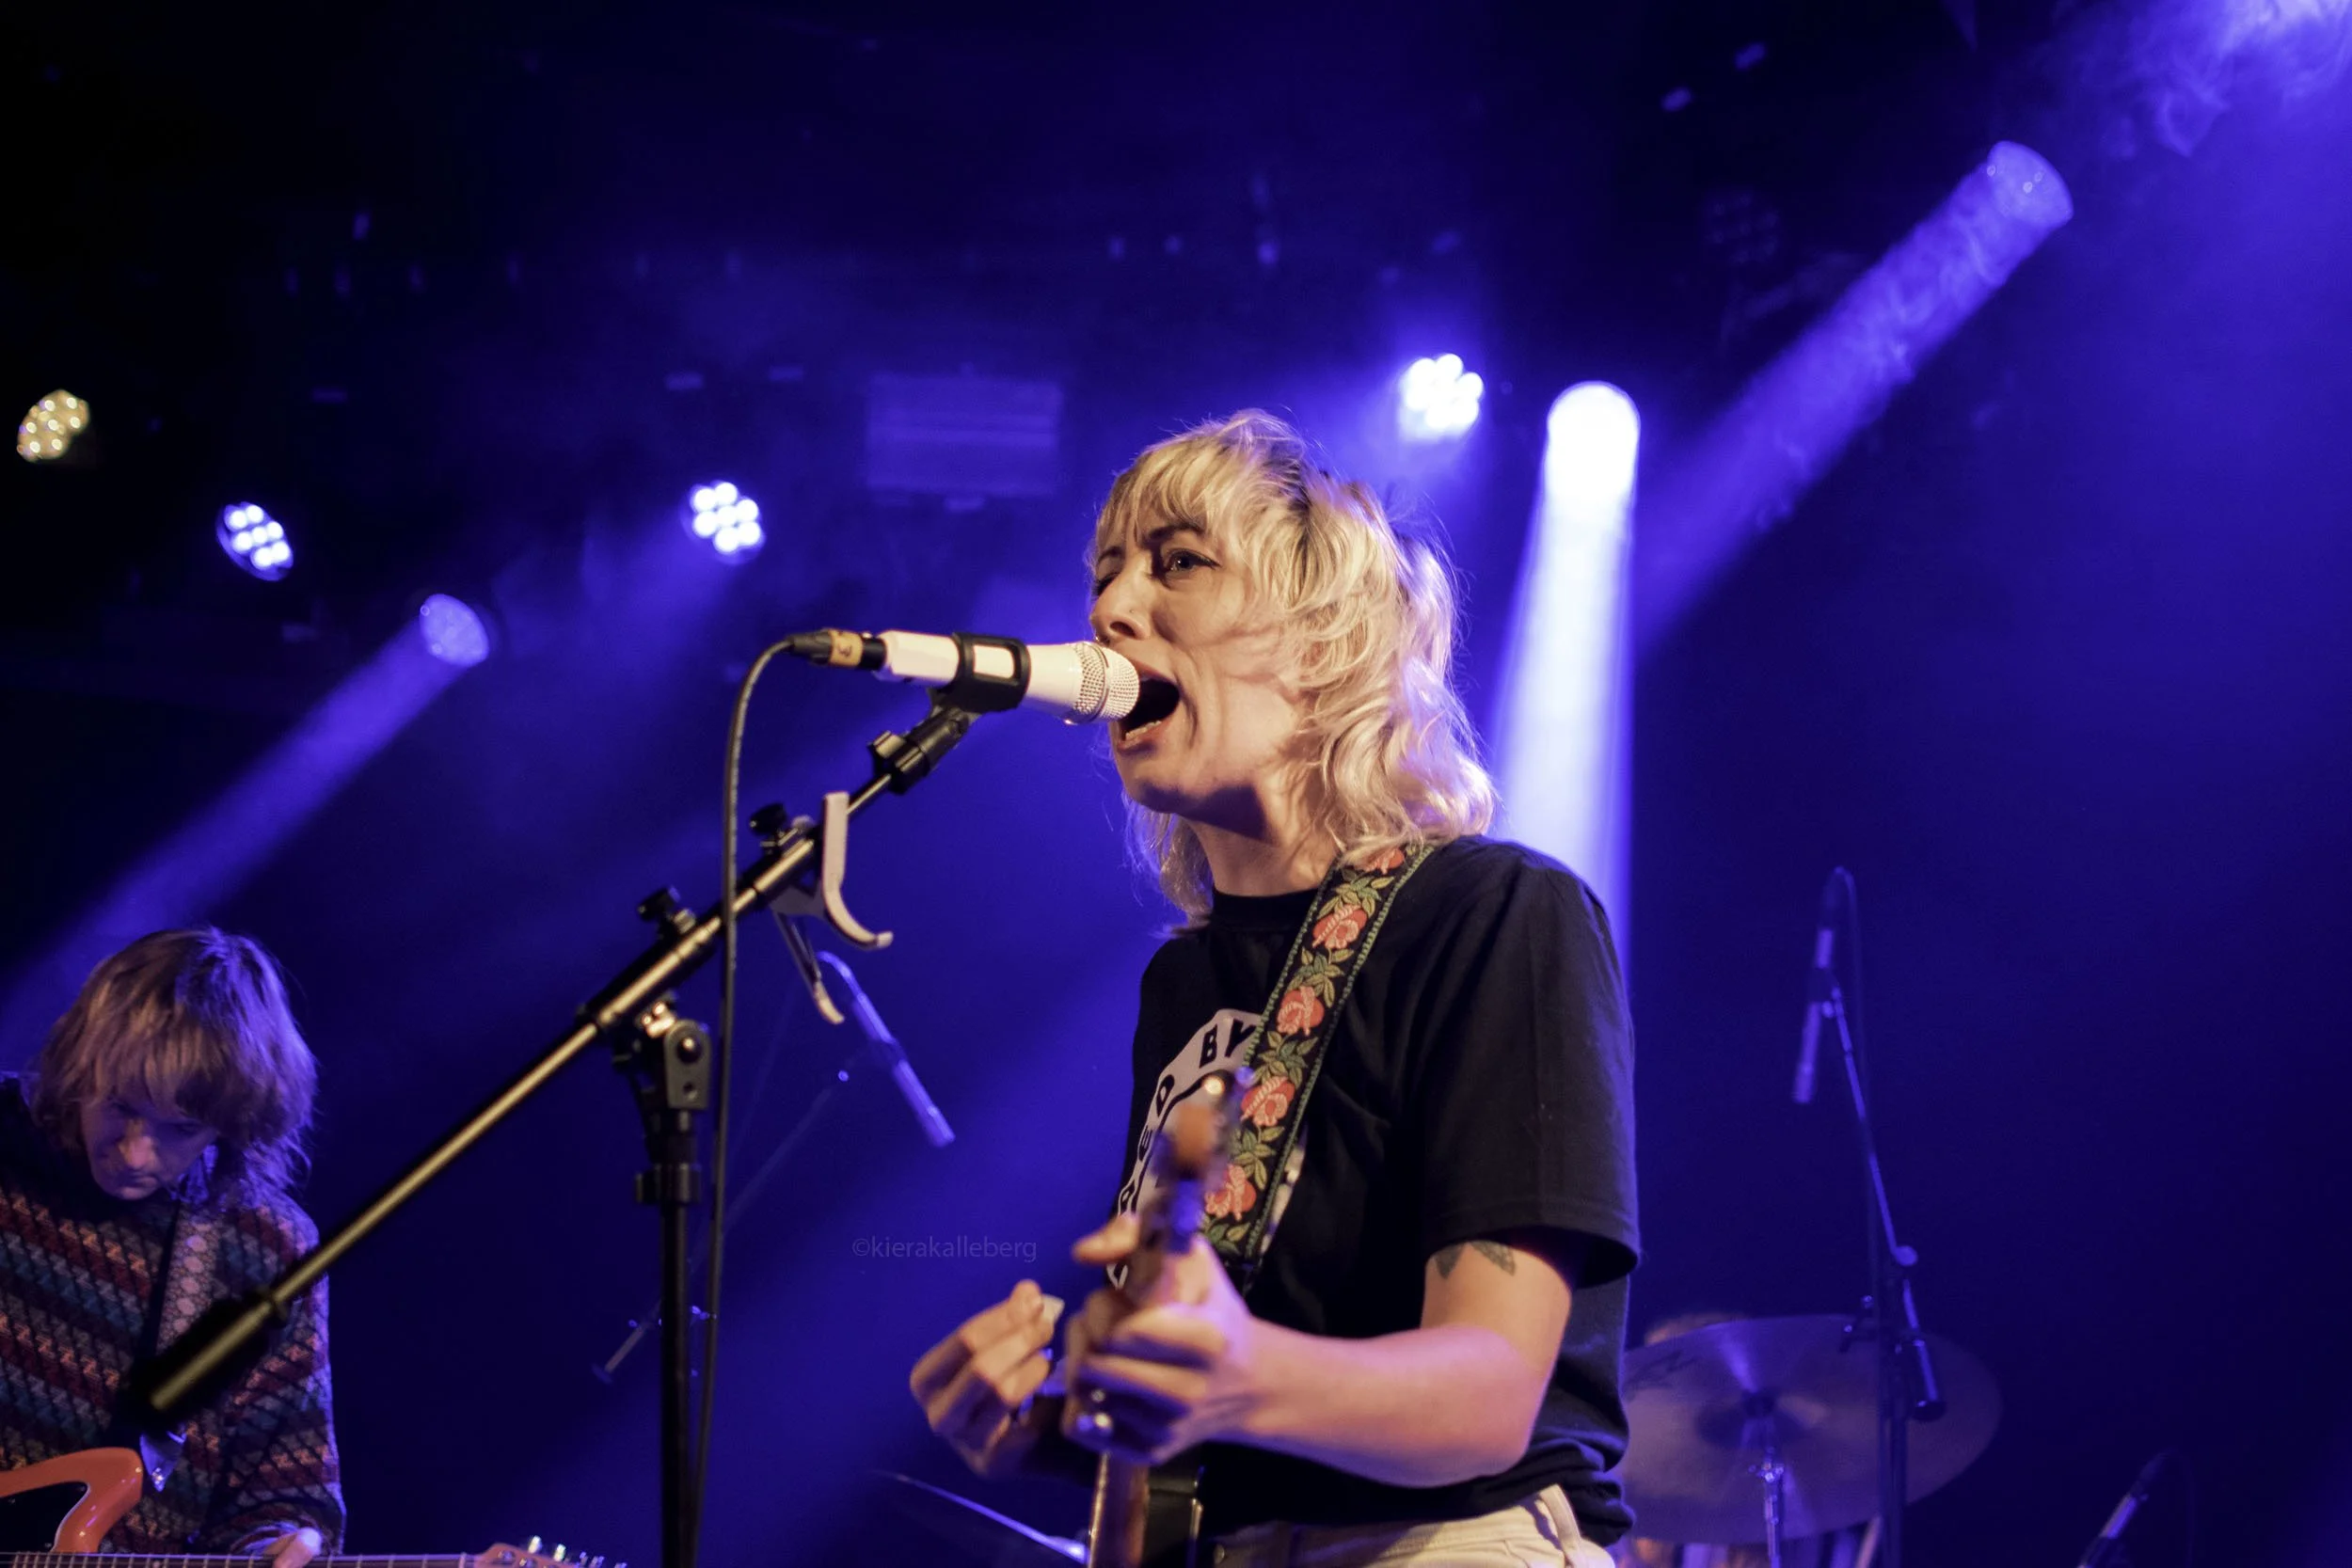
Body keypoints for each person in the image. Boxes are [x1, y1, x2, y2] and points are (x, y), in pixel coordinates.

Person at [911, 411, 1639, 1565]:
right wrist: (1053, 1425)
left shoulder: (1494, 913)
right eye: (1104, 573)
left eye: (1177, 562)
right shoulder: (1183, 980)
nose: (1110, 608)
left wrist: (1237, 1374)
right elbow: (1218, 1411)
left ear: (1320, 636)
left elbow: (1489, 1393)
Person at [0, 928, 343, 1560]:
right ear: (81, 1061)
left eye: (181, 1128)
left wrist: (286, 1544)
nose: (135, 1153)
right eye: (119, 1105)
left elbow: (283, 1499)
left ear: (235, 1122)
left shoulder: (266, 1250)